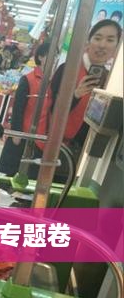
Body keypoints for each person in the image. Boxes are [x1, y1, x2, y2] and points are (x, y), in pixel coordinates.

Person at [46, 19, 121, 179]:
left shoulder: (111, 80)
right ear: (88, 42)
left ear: (117, 48)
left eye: (110, 40)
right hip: (57, 147)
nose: (102, 45)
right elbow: (51, 109)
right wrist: (76, 95)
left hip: (89, 155)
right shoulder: (67, 70)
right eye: (98, 38)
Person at [0, 43, 50, 176]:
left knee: (31, 176)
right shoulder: (28, 79)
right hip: (24, 134)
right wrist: (16, 133)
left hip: (42, 138)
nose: (54, 59)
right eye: (50, 55)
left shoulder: (54, 81)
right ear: (40, 57)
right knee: (13, 173)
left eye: (56, 56)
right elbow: (18, 108)